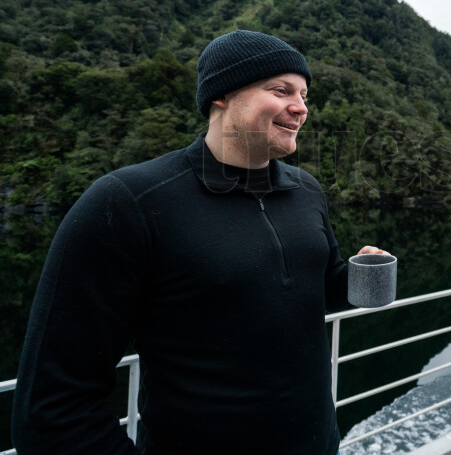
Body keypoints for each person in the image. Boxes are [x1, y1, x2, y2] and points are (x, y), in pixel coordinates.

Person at [12, 29, 388, 455]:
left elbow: (313, 288)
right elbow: (52, 407)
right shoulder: (129, 201)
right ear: (221, 96)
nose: (301, 108)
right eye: (281, 90)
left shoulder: (306, 191)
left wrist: (359, 277)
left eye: (304, 94)